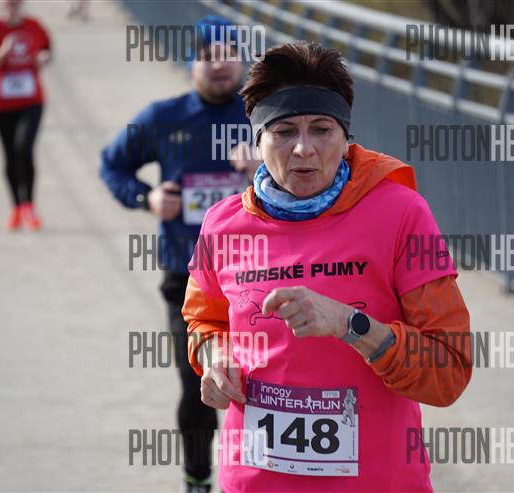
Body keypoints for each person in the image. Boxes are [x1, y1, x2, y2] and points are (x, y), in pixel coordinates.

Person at [183, 41, 472, 493]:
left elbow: (447, 371)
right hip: (255, 482)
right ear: (257, 141)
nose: (304, 149)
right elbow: (204, 321)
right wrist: (214, 357)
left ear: (345, 137)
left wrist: (350, 325)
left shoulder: (401, 214)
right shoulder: (222, 224)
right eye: (283, 131)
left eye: (321, 129)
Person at [99, 15, 260, 493]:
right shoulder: (162, 117)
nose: (219, 65)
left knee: (267, 384)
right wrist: (145, 197)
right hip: (187, 279)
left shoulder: (265, 119)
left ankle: (259, 477)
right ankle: (197, 478)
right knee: (199, 383)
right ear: (192, 62)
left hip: (260, 276)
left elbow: (318, 171)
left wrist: (262, 168)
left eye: (228, 55)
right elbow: (112, 165)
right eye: (208, 56)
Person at [0, 0, 51, 231]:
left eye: (16, 2)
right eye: (8, 2)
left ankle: (29, 205)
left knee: (24, 149)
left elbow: (47, 50)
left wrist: (43, 57)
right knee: (10, 155)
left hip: (31, 101)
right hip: (2, 104)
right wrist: (3, 51)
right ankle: (16, 208)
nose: (12, 5)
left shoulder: (34, 26)